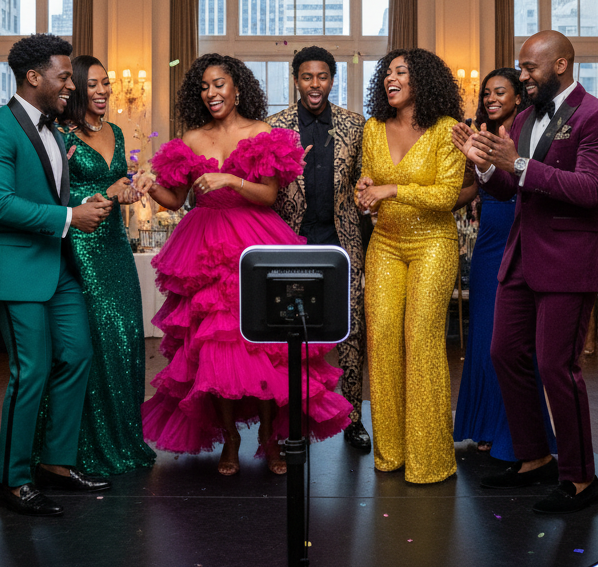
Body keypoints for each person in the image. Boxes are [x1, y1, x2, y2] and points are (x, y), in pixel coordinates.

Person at [135, 53, 351, 476]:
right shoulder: (191, 138)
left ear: (237, 88)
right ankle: (230, 437)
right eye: (204, 87)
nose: (211, 93)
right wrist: (149, 186)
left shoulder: (261, 133)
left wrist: (231, 180)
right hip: (203, 250)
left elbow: (269, 195)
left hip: (255, 242)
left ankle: (270, 436)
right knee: (213, 348)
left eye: (219, 84)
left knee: (266, 346)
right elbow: (175, 201)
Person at [463, 30, 598, 514]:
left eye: (530, 68)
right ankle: (533, 457)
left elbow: (589, 189)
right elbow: (508, 187)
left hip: (569, 261)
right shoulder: (526, 117)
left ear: (561, 65)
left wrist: (518, 163)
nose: (523, 76)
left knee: (557, 367)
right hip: (521, 257)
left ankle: (580, 478)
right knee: (504, 352)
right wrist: (485, 166)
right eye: (522, 67)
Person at [0, 33, 113, 516]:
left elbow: (46, 195)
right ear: (33, 77)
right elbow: (0, 204)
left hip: (56, 264)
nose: (72, 85)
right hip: (14, 268)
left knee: (77, 354)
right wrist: (70, 217)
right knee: (31, 371)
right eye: (64, 76)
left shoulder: (55, 132)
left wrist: (82, 204)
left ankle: (56, 463)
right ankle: (13, 480)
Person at [36, 55, 156, 475]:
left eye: (106, 83)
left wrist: (130, 187)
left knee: (126, 337)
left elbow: (118, 182)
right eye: (93, 84)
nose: (103, 91)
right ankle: (80, 447)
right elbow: (49, 197)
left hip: (114, 246)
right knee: (92, 343)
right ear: (74, 89)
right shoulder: (59, 134)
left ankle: (123, 438)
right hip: (79, 250)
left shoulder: (116, 132)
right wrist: (104, 191)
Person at [355, 48, 466, 484]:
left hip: (432, 243)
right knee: (381, 339)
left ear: (423, 80)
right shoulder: (373, 128)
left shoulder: (447, 130)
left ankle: (429, 458)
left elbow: (446, 195)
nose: (391, 78)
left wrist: (391, 190)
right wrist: (366, 190)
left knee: (420, 338)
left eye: (401, 72)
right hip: (384, 242)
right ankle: (391, 453)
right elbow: (369, 179)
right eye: (387, 72)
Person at [268, 45, 370, 452]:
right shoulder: (274, 127)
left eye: (322, 76)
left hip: (341, 243)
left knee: (352, 330)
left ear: (332, 80)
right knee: (290, 336)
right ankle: (294, 421)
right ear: (296, 80)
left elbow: (364, 182)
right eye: (307, 77)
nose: (315, 84)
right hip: (289, 242)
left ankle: (353, 419)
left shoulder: (355, 125)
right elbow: (266, 186)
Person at [452, 67, 555, 460]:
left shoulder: (532, 131)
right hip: (489, 240)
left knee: (514, 340)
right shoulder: (479, 134)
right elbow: (469, 192)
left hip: (525, 232)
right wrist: (427, 204)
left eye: (500, 92)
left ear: (518, 97)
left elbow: (527, 181)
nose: (491, 98)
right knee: (483, 335)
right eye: (487, 93)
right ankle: (483, 424)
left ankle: (514, 429)